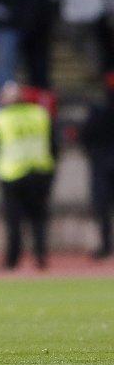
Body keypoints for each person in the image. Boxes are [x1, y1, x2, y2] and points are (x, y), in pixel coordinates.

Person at [0, 83, 58, 270]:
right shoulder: (39, 114)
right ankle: (40, 257)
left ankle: (12, 260)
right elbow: (54, 145)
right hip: (40, 172)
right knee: (38, 219)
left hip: (12, 174)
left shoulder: (0, 119)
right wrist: (51, 169)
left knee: (14, 221)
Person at [80, 74, 114, 260]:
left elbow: (85, 136)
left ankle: (106, 246)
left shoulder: (98, 112)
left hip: (101, 164)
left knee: (102, 209)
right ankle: (106, 246)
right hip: (101, 163)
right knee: (102, 210)